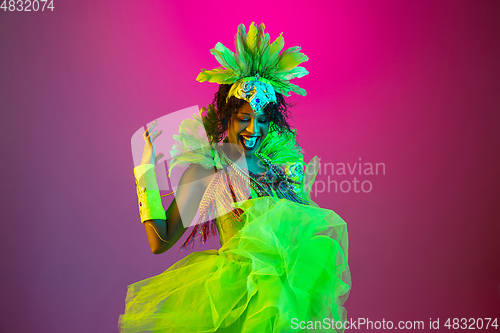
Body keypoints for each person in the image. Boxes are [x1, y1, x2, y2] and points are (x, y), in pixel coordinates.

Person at [119, 23, 351, 333]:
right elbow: (159, 242)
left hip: (285, 304)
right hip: (234, 303)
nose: (253, 129)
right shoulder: (208, 170)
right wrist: (145, 172)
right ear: (228, 115)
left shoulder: (279, 168)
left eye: (262, 120)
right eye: (244, 118)